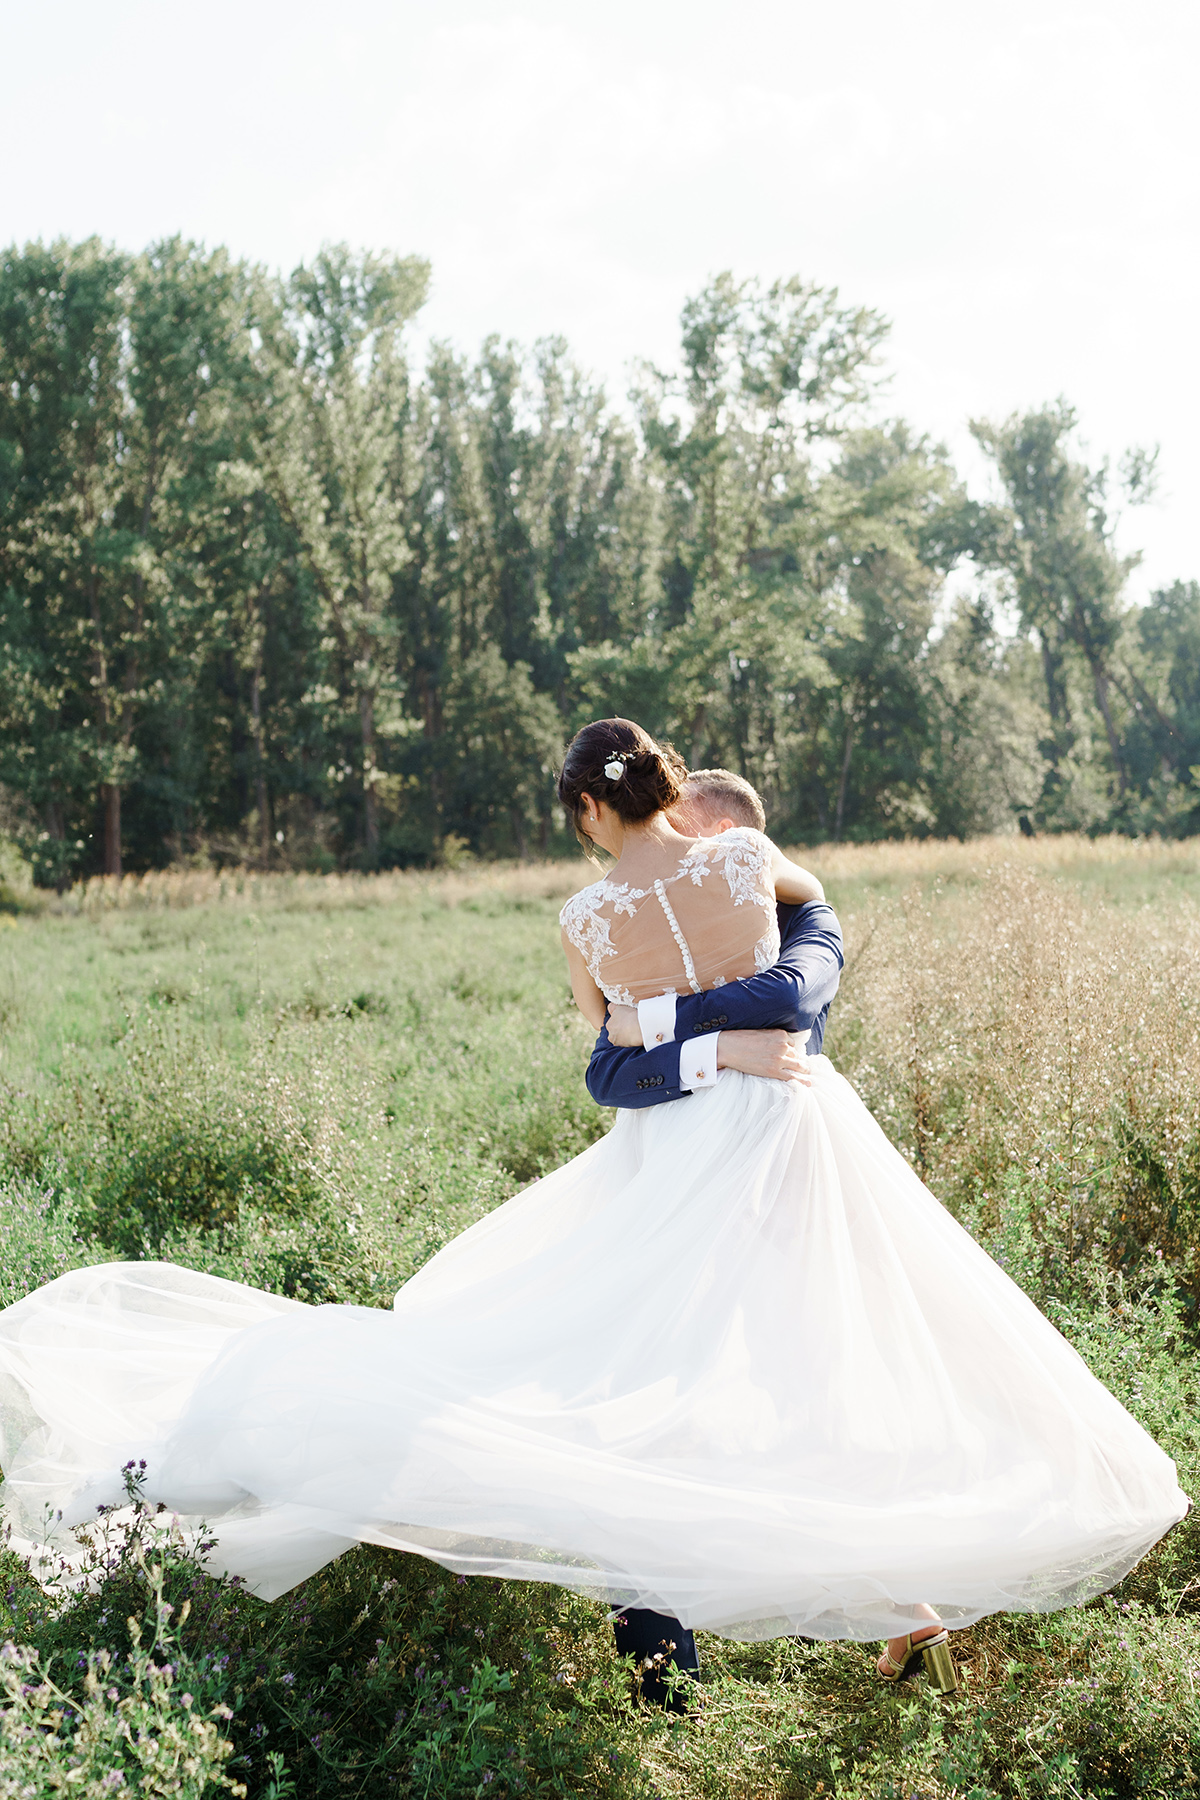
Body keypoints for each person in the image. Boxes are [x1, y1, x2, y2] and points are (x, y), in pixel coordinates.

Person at [0, 718, 1187, 1705]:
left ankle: (782, 1615)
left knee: (640, 1367)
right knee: (809, 1353)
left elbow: (620, 1045)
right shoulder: (749, 858)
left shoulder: (583, 922)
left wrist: (670, 1029)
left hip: (675, 1152)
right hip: (789, 1129)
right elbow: (788, 972)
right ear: (671, 785)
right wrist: (729, 1038)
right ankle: (877, 1598)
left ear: (582, 809)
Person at [588, 766, 844, 1705]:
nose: (673, 860)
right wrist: (692, 1046)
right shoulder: (650, 910)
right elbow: (607, 1074)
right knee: (653, 1408)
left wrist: (658, 1020)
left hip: (777, 1192)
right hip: (675, 1192)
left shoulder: (805, 922)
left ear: (744, 849)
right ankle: (665, 1681)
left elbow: (787, 1001)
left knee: (798, 1400)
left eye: (689, 838)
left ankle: (899, 1606)